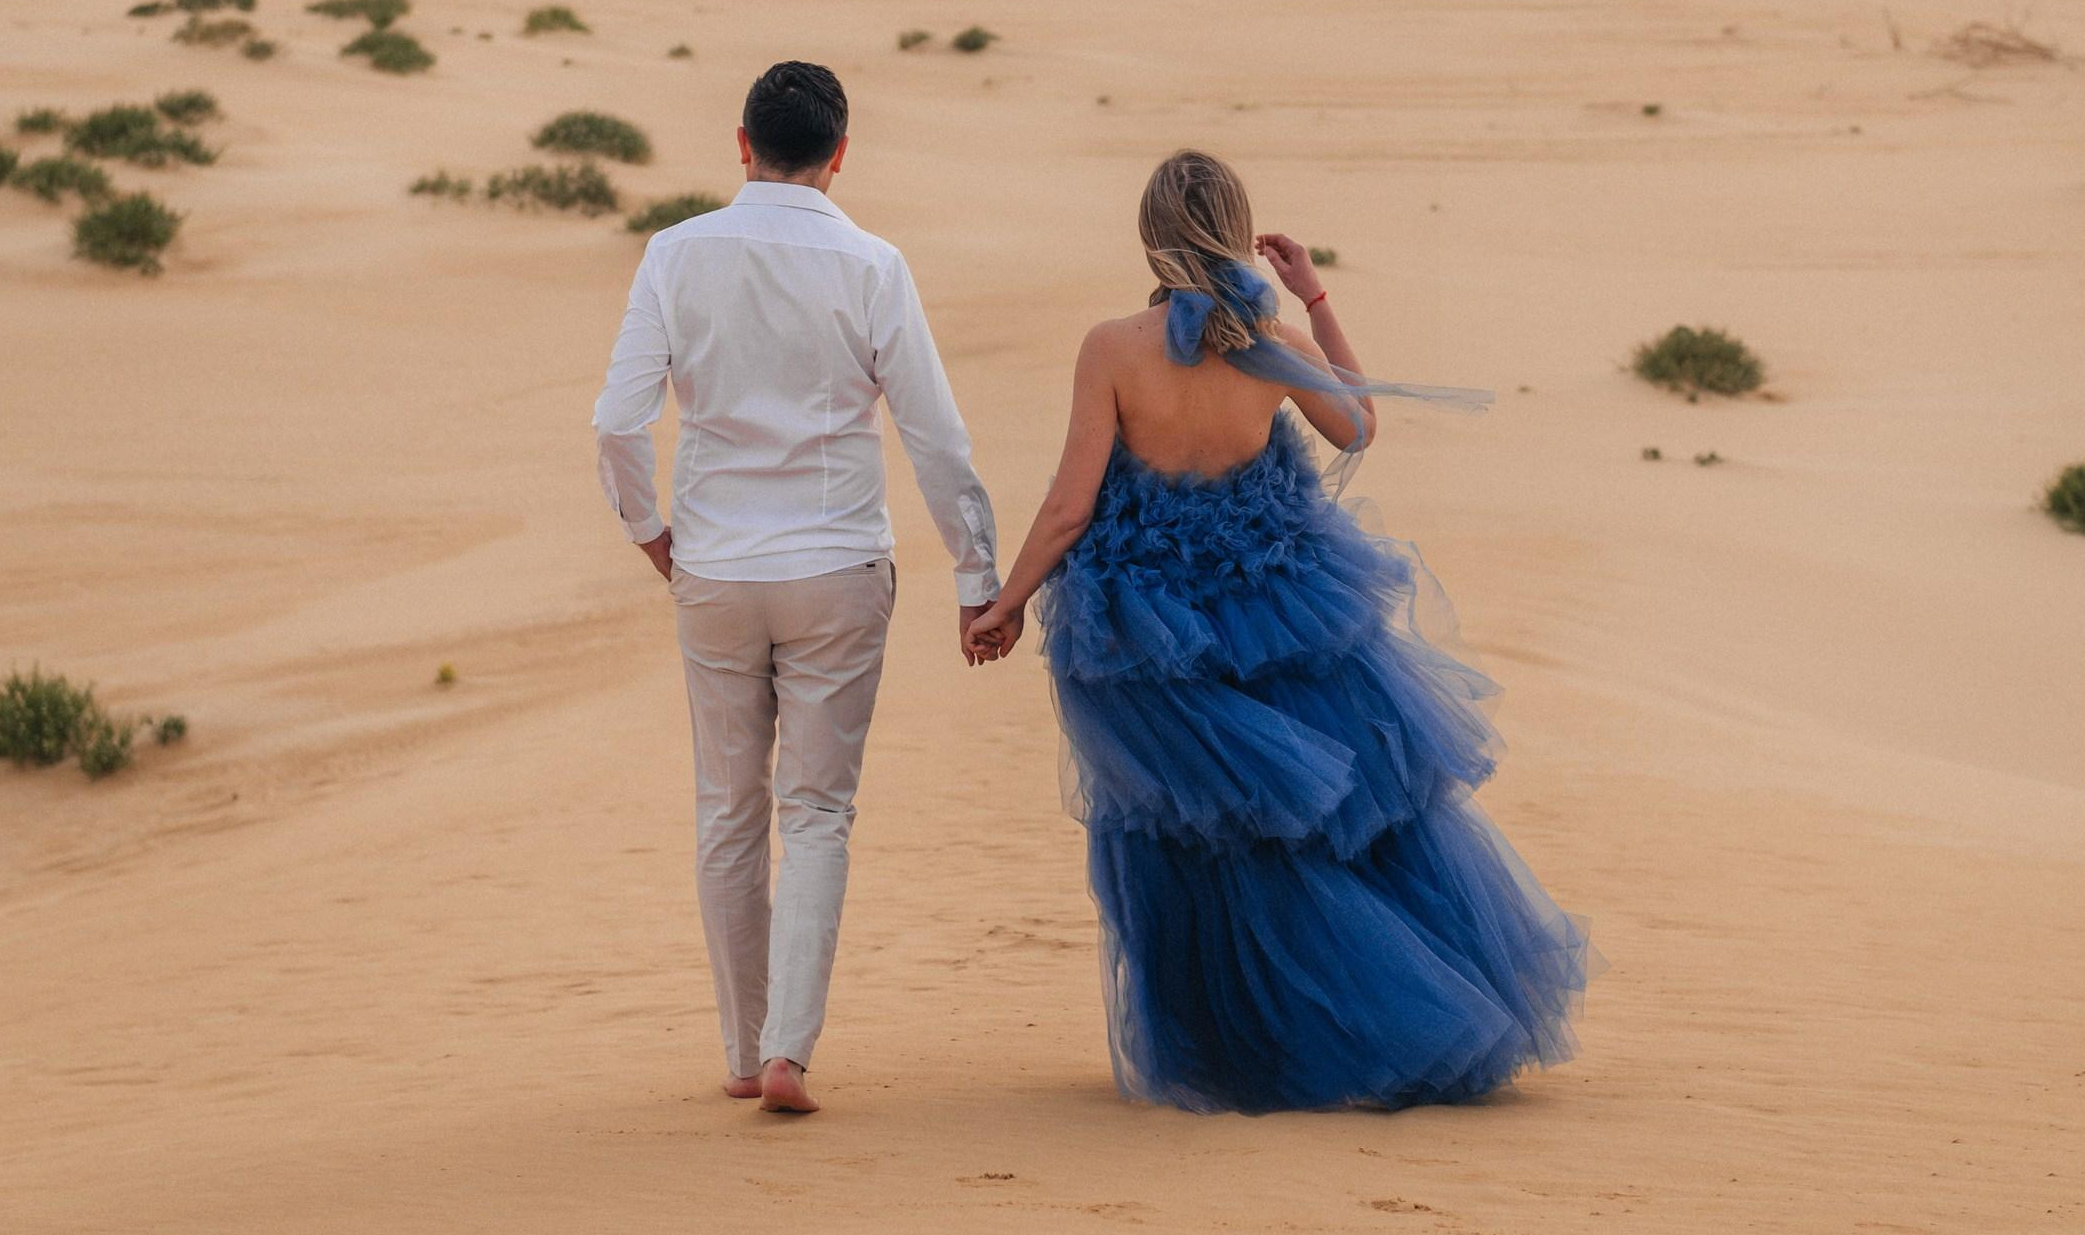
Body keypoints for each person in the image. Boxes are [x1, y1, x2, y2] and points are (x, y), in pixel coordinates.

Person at [967, 149, 1590, 1113]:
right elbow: (1358, 426)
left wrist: (1007, 602)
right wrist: (1316, 297)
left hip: (1151, 628)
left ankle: (1237, 1044)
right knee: (1315, 828)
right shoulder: (1269, 337)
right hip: (1278, 609)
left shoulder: (1112, 347)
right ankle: (1366, 1021)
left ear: (1150, 238)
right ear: (1236, 228)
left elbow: (1068, 507)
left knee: (1194, 835)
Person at [592, 60, 1001, 1116]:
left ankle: (742, 1050)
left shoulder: (675, 253)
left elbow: (617, 419)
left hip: (715, 569)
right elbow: (935, 434)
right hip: (836, 568)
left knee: (728, 809)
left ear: (742, 144)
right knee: (816, 811)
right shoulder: (872, 264)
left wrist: (648, 530)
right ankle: (788, 1053)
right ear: (840, 153)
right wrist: (976, 572)